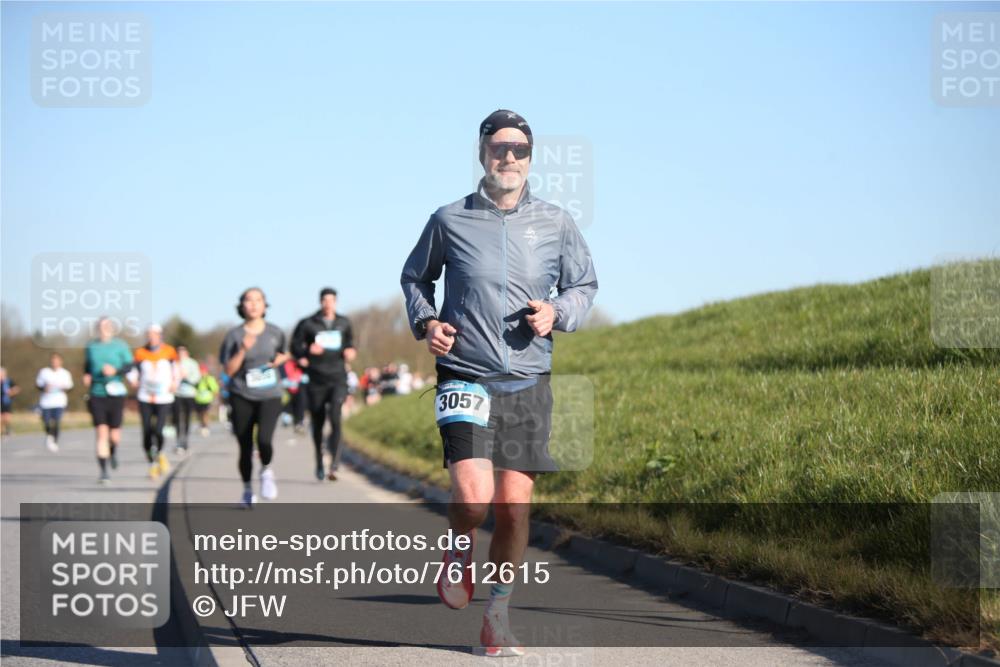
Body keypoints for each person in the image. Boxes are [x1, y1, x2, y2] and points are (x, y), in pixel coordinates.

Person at [401, 109, 598, 657]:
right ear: (482, 152)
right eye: (498, 147)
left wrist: (556, 312)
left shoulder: (556, 222)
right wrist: (427, 322)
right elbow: (416, 277)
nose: (507, 157)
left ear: (530, 158)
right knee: (472, 496)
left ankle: (497, 614)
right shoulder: (449, 219)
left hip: (529, 378)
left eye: (519, 149)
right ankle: (459, 547)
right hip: (466, 373)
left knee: (514, 506)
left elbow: (584, 283)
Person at [219, 287, 289, 507]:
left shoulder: (276, 332)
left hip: (270, 394)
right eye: (249, 300)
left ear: (264, 305)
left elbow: (285, 354)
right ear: (242, 306)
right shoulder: (234, 335)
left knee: (265, 440)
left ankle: (266, 470)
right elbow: (228, 371)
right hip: (242, 394)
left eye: (258, 300)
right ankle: (248, 490)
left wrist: (281, 360)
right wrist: (242, 350)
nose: (254, 304)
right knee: (245, 446)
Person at [291, 287, 356, 482]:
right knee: (318, 423)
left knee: (335, 418)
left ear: (336, 302)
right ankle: (319, 461)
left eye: (331, 301)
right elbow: (295, 346)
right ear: (320, 302)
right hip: (316, 379)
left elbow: (350, 344)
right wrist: (306, 353)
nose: (328, 304)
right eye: (325, 300)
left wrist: (351, 351)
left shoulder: (344, 323)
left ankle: (334, 466)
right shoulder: (308, 324)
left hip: (337, 378)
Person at [83, 317, 134, 484]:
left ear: (112, 328)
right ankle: (104, 472)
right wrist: (87, 375)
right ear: (98, 328)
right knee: (101, 433)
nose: (105, 328)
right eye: (102, 325)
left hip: (116, 392)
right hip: (97, 393)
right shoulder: (91, 346)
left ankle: (113, 450)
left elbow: (129, 366)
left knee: (115, 436)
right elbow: (87, 365)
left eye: (108, 325)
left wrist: (115, 370)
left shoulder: (120, 346)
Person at [128, 324, 178, 479]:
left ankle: (160, 453)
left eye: (154, 334)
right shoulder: (140, 352)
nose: (152, 337)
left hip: (164, 397)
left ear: (160, 336)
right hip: (145, 396)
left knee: (158, 429)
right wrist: (133, 380)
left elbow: (177, 369)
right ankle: (152, 463)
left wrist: (175, 382)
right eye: (149, 334)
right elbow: (132, 370)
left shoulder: (169, 351)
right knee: (146, 431)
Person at [35, 353, 73, 452]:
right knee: (46, 422)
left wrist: (63, 388)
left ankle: (54, 440)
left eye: (57, 360)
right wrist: (44, 388)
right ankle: (49, 435)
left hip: (59, 402)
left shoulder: (65, 373)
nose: (55, 362)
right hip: (46, 402)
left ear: (61, 362)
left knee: (56, 422)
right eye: (53, 361)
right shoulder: (44, 372)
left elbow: (70, 387)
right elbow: (38, 385)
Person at [173, 345, 201, 452]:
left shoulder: (192, 363)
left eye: (182, 353)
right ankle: (178, 440)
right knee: (176, 418)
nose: (180, 355)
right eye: (179, 353)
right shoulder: (175, 363)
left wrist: (186, 377)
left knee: (187, 417)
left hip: (189, 394)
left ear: (186, 353)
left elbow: (196, 378)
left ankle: (185, 440)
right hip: (177, 394)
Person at [193, 364, 219, 436]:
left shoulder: (209, 379)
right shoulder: (198, 379)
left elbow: (215, 389)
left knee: (205, 413)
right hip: (198, 399)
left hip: (207, 400)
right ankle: (202, 425)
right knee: (199, 414)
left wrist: (214, 399)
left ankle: (205, 427)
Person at [1, 367, 20, 436]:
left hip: (6, 402)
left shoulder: (8, 381)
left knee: (7, 417)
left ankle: (7, 430)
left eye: (2, 374)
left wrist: (11, 392)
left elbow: (17, 389)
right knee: (1, 418)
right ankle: (3, 431)